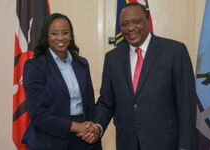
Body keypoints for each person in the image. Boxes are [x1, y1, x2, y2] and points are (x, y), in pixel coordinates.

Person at [83, 2, 198, 150]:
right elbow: (106, 101)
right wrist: (97, 126)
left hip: (165, 143)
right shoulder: (113, 58)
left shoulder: (175, 51)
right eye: (124, 24)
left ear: (148, 20)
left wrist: (185, 146)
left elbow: (186, 104)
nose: (130, 28)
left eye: (136, 22)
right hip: (127, 143)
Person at [22, 13, 102, 150]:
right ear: (46, 36)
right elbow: (38, 115)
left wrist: (92, 129)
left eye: (65, 33)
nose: (60, 38)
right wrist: (75, 127)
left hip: (83, 138)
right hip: (50, 140)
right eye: (54, 33)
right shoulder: (35, 66)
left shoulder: (82, 63)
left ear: (71, 35)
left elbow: (89, 106)